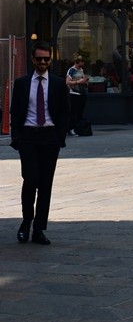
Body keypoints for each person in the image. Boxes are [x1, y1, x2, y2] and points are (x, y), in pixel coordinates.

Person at [10, 41, 70, 245]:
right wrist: (16, 137)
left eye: (46, 59)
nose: (43, 62)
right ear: (33, 59)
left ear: (51, 60)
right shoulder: (22, 83)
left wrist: (59, 135)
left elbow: (65, 112)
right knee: (30, 180)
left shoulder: (58, 83)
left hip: (49, 137)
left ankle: (39, 229)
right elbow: (15, 112)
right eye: (39, 59)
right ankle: (26, 222)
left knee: (45, 184)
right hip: (28, 136)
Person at [65, 54, 89, 135]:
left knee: (79, 112)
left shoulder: (81, 70)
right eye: (82, 62)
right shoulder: (71, 70)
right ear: (77, 62)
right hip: (74, 93)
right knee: (73, 112)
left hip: (81, 93)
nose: (83, 64)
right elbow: (67, 82)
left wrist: (85, 81)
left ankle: (78, 128)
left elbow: (81, 79)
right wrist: (78, 82)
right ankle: (70, 128)